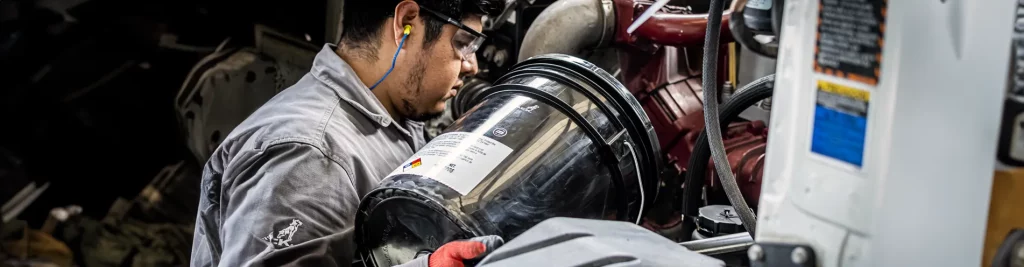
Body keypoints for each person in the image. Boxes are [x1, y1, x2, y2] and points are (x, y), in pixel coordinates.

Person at [188, 0, 505, 265]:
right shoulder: (309, 155)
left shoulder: (391, 116)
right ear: (406, 22)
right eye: (463, 44)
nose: (472, 66)